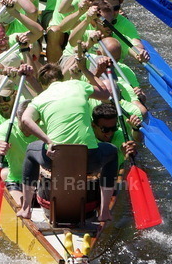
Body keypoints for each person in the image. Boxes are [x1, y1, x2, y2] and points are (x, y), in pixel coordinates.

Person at [18, 61, 118, 223]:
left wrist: (47, 141)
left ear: (43, 84)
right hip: (89, 159)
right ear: (61, 77)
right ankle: (105, 211)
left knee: (30, 150)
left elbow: (25, 119)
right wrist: (85, 69)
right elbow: (105, 94)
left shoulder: (40, 98)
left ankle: (26, 208)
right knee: (112, 152)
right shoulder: (78, 85)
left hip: (55, 158)